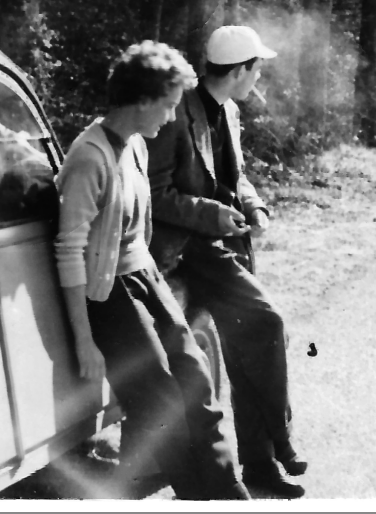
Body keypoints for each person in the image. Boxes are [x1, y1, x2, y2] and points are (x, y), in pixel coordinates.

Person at [54, 41, 250, 501]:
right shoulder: (89, 158)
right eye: (167, 106)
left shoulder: (138, 145)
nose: (171, 117)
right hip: (107, 292)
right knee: (161, 397)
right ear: (141, 100)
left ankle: (230, 492)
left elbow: (138, 229)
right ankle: (202, 498)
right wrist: (84, 339)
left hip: (143, 274)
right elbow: (69, 251)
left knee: (195, 375)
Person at [145, 25, 307, 498]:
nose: (258, 78)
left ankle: (261, 464)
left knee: (248, 345)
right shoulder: (177, 114)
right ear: (239, 71)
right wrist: (214, 215)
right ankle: (280, 439)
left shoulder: (229, 110)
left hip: (223, 247)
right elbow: (155, 194)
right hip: (188, 252)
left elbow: (237, 179)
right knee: (268, 322)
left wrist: (255, 207)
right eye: (256, 70)